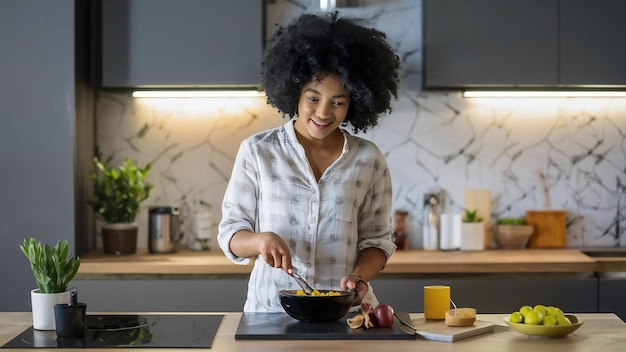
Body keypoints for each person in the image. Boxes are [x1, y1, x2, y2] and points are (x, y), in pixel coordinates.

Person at [217, 11, 400, 313]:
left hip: (347, 314)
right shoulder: (258, 151)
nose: (324, 112)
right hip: (270, 312)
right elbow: (231, 234)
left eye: (338, 102)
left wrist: (359, 277)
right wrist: (260, 240)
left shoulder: (369, 159)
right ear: (294, 92)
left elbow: (376, 241)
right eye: (313, 98)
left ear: (356, 101)